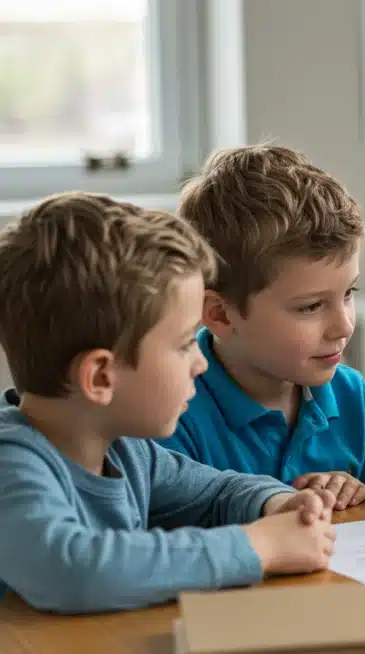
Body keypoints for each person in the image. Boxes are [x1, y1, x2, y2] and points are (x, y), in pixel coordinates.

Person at [0, 193, 338, 614]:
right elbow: (72, 571)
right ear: (101, 377)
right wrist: (260, 546)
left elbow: (217, 492)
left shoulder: (127, 451)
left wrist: (279, 503)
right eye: (182, 345)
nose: (199, 362)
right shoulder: (13, 466)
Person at [159, 144, 365, 508]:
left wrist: (355, 496)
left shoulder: (351, 396)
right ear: (220, 314)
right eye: (311, 307)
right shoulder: (168, 411)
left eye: (348, 293)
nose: (343, 326)